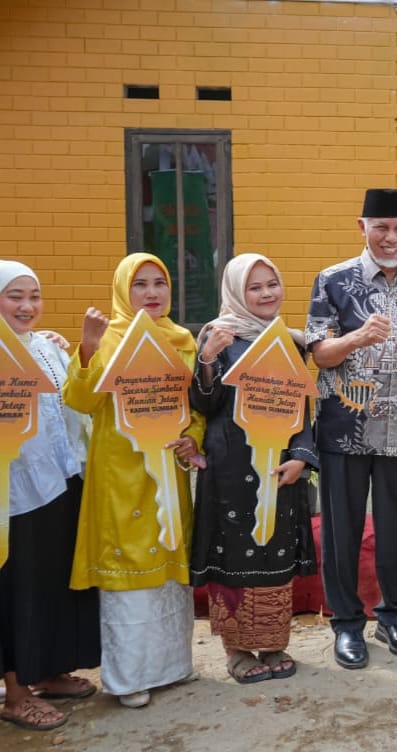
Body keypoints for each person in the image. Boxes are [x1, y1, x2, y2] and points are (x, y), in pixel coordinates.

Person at [306, 188, 397, 669]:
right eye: (380, 227)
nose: (391, 237)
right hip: (345, 429)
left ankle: (394, 617)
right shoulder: (332, 281)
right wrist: (358, 337)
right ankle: (346, 623)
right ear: (361, 227)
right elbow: (319, 353)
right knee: (341, 532)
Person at [64, 253, 205, 708]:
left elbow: (194, 407)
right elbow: (81, 402)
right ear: (124, 290)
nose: (151, 293)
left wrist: (192, 439)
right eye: (140, 284)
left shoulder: (182, 339)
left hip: (166, 472)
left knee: (166, 570)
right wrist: (86, 348)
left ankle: (174, 666)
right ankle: (128, 679)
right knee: (129, 579)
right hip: (120, 474)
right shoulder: (108, 338)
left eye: (159, 283)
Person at [189, 254, 318, 684]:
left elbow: (303, 405)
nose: (266, 294)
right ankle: (238, 649)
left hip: (279, 466)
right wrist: (208, 358)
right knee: (233, 557)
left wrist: (302, 455)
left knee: (274, 552)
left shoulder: (291, 341)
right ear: (236, 292)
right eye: (255, 287)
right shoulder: (217, 334)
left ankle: (274, 642)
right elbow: (204, 404)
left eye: (272, 285)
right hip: (231, 469)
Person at [0, 261, 100, 731]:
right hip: (12, 495)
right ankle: (16, 695)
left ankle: (49, 672)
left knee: (53, 582)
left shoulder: (44, 347)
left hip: (60, 482)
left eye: (34, 296)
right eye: (14, 296)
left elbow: (75, 403)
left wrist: (79, 350)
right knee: (17, 590)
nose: (26, 306)